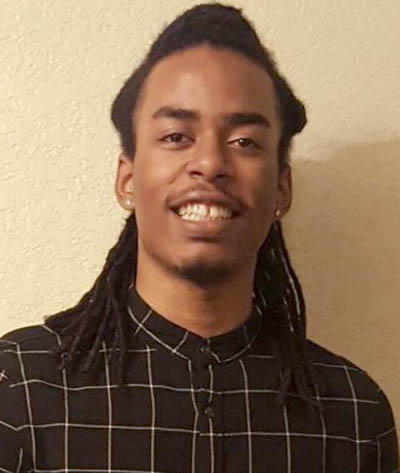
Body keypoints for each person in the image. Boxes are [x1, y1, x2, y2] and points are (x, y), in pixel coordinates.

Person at [0, 3, 398, 472]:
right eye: (176, 136)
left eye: (244, 141)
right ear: (127, 180)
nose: (209, 164)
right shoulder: (20, 389)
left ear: (281, 189)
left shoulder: (354, 415)